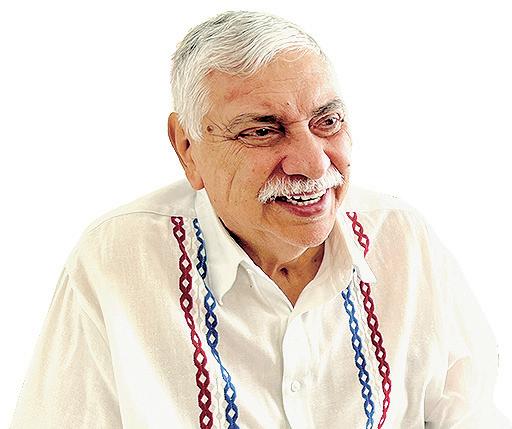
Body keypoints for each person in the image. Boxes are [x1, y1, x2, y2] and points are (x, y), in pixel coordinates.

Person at [10, 10, 510, 429]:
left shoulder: (403, 239)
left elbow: (469, 414)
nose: (313, 163)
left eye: (327, 121)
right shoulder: (117, 261)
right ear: (187, 148)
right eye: (262, 131)